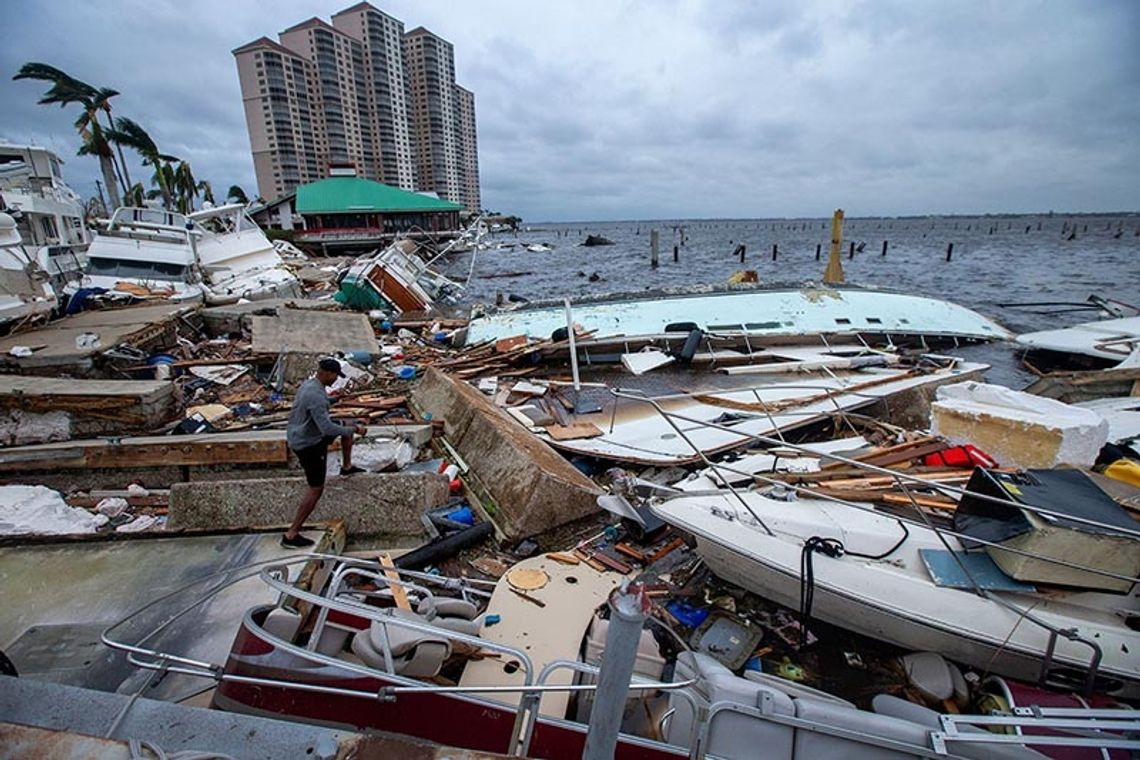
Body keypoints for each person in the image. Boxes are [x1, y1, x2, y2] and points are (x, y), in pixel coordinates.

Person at [282, 357, 367, 548]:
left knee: (346, 424)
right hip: (308, 443)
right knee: (316, 488)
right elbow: (327, 429)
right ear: (327, 374)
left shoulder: (310, 386)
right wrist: (355, 430)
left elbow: (320, 405)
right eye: (336, 376)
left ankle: (347, 466)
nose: (336, 380)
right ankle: (292, 533)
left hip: (304, 434)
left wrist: (335, 399)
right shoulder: (315, 395)